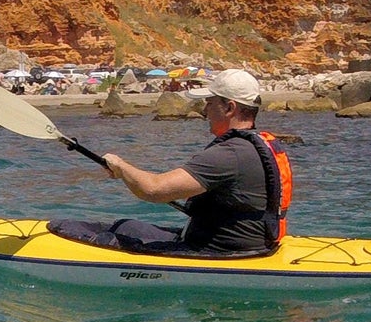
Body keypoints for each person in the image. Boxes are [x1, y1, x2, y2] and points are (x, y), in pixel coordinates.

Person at [50, 69, 292, 257]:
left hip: (218, 252)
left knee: (63, 227)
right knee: (126, 225)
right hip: (252, 244)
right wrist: (127, 174)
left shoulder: (229, 154)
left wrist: (121, 166)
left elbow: (154, 190)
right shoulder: (256, 145)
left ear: (229, 107)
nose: (204, 109)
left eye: (210, 102)